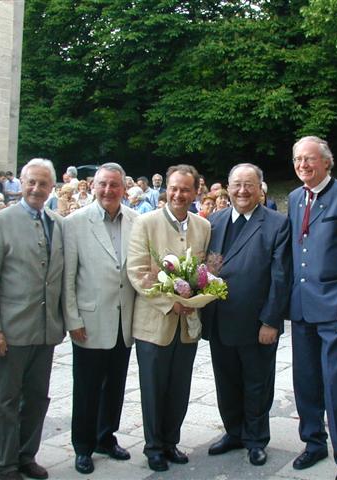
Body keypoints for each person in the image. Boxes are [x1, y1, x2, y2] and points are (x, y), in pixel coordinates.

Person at [0, 158, 64, 480]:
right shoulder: (0, 222)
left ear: (51, 188)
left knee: (38, 398)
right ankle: (6, 464)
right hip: (11, 331)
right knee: (7, 400)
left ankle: (27, 454)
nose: (36, 189)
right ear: (20, 183)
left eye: (43, 184)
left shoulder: (57, 222)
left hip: (45, 331)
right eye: (31, 182)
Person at [201, 164, 291, 466]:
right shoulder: (213, 221)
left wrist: (271, 321)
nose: (242, 190)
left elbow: (281, 277)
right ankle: (233, 432)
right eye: (236, 184)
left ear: (260, 187)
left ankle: (255, 438)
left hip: (256, 323)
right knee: (226, 382)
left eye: (249, 184)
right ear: (227, 186)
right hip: (220, 320)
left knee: (257, 383)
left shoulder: (277, 224)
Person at [288, 136, 337, 480]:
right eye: (298, 159)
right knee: (304, 380)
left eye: (310, 159)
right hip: (302, 306)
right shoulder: (293, 197)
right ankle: (313, 442)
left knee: (334, 382)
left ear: (327, 161)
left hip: (335, 307)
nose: (303, 165)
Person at [126, 164, 211, 472]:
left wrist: (199, 296)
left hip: (187, 324)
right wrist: (168, 303)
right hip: (154, 323)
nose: (178, 194)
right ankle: (153, 447)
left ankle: (171, 441)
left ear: (195, 191)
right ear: (166, 190)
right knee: (153, 386)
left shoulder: (203, 226)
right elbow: (137, 272)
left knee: (179, 386)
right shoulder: (145, 222)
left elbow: (203, 273)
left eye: (185, 189)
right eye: (173, 188)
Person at [63, 163, 138, 474]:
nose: (108, 191)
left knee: (115, 384)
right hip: (89, 321)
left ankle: (106, 436)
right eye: (103, 185)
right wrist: (72, 319)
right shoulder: (75, 223)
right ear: (93, 186)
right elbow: (68, 277)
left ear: (123, 188)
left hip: (124, 319)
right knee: (87, 387)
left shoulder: (136, 221)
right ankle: (83, 446)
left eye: (115, 185)